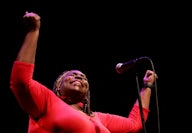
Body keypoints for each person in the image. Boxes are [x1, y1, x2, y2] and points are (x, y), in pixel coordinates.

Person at [10, 11, 158, 133]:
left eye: (83, 77)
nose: (79, 76)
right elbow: (20, 82)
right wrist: (33, 31)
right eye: (72, 75)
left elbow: (135, 124)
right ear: (58, 87)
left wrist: (147, 86)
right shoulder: (47, 101)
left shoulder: (99, 118)